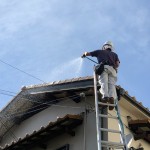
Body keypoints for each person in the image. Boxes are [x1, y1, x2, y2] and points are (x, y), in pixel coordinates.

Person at [82, 41, 120, 110]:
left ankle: (105, 97)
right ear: (111, 48)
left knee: (103, 82)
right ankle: (111, 98)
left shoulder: (99, 52)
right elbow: (117, 64)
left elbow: (87, 53)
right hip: (113, 70)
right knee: (111, 84)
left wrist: (84, 54)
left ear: (104, 47)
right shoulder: (115, 55)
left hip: (104, 68)